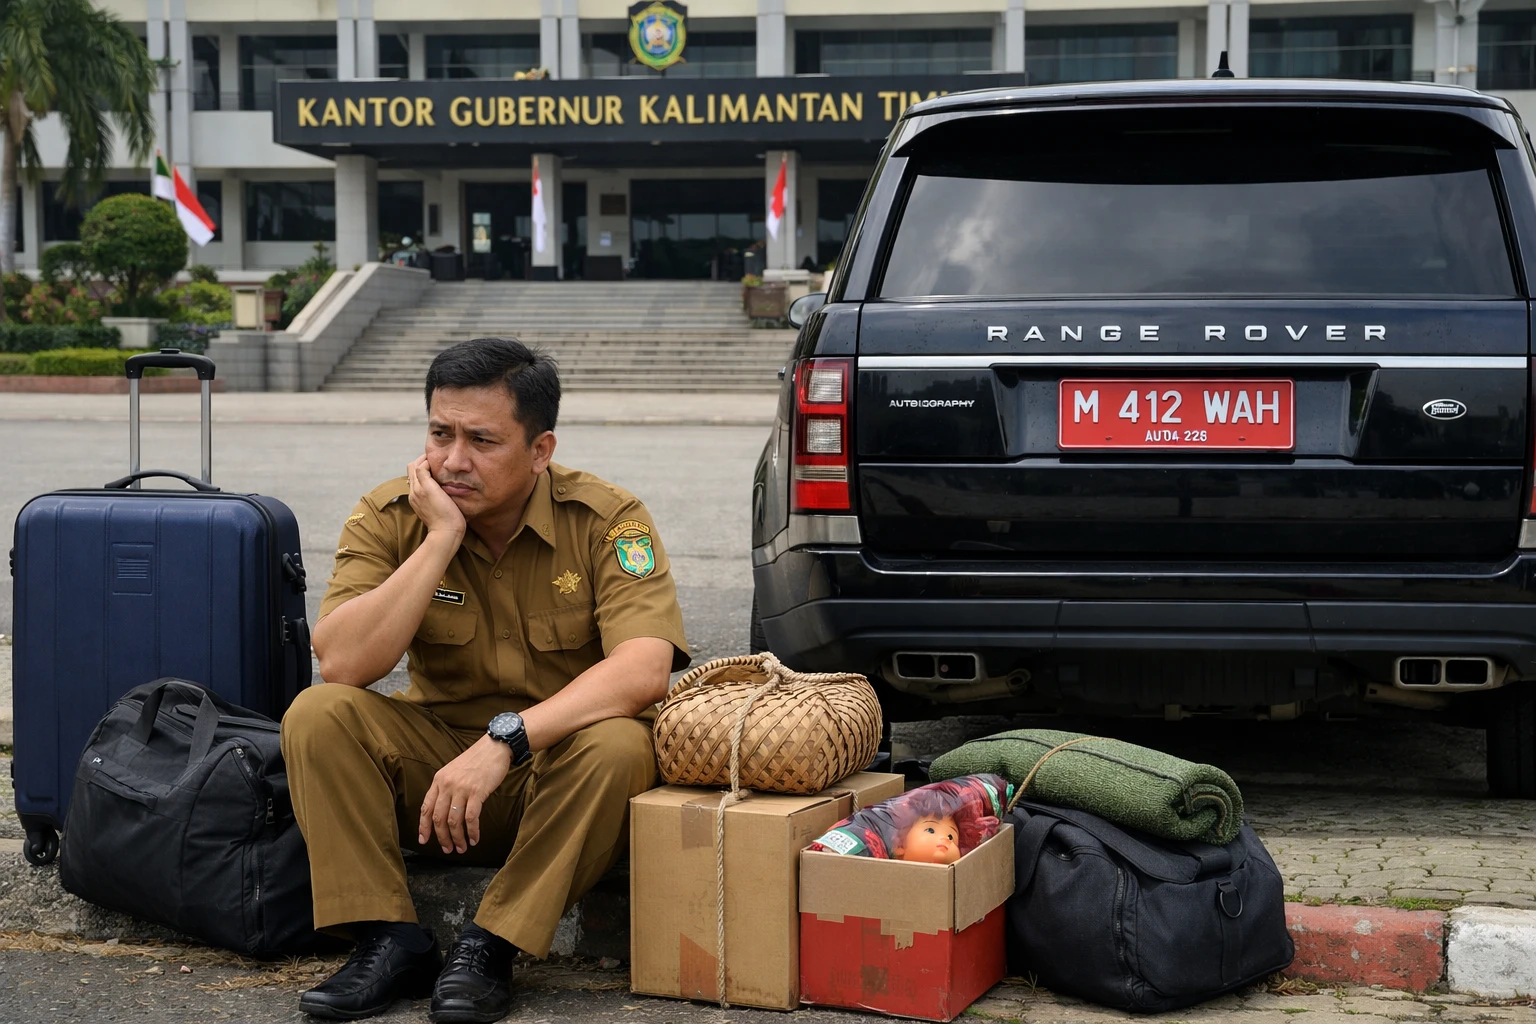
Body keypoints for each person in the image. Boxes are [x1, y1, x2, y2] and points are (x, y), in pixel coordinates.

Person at [282, 337, 689, 1023]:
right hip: (438, 780)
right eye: (440, 434)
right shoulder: (393, 515)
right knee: (318, 713)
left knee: (622, 744)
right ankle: (388, 938)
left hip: (557, 782)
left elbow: (644, 667)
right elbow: (345, 663)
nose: (451, 461)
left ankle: (491, 945)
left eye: (482, 440)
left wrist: (506, 741)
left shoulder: (607, 518)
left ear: (540, 450)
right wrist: (440, 538)